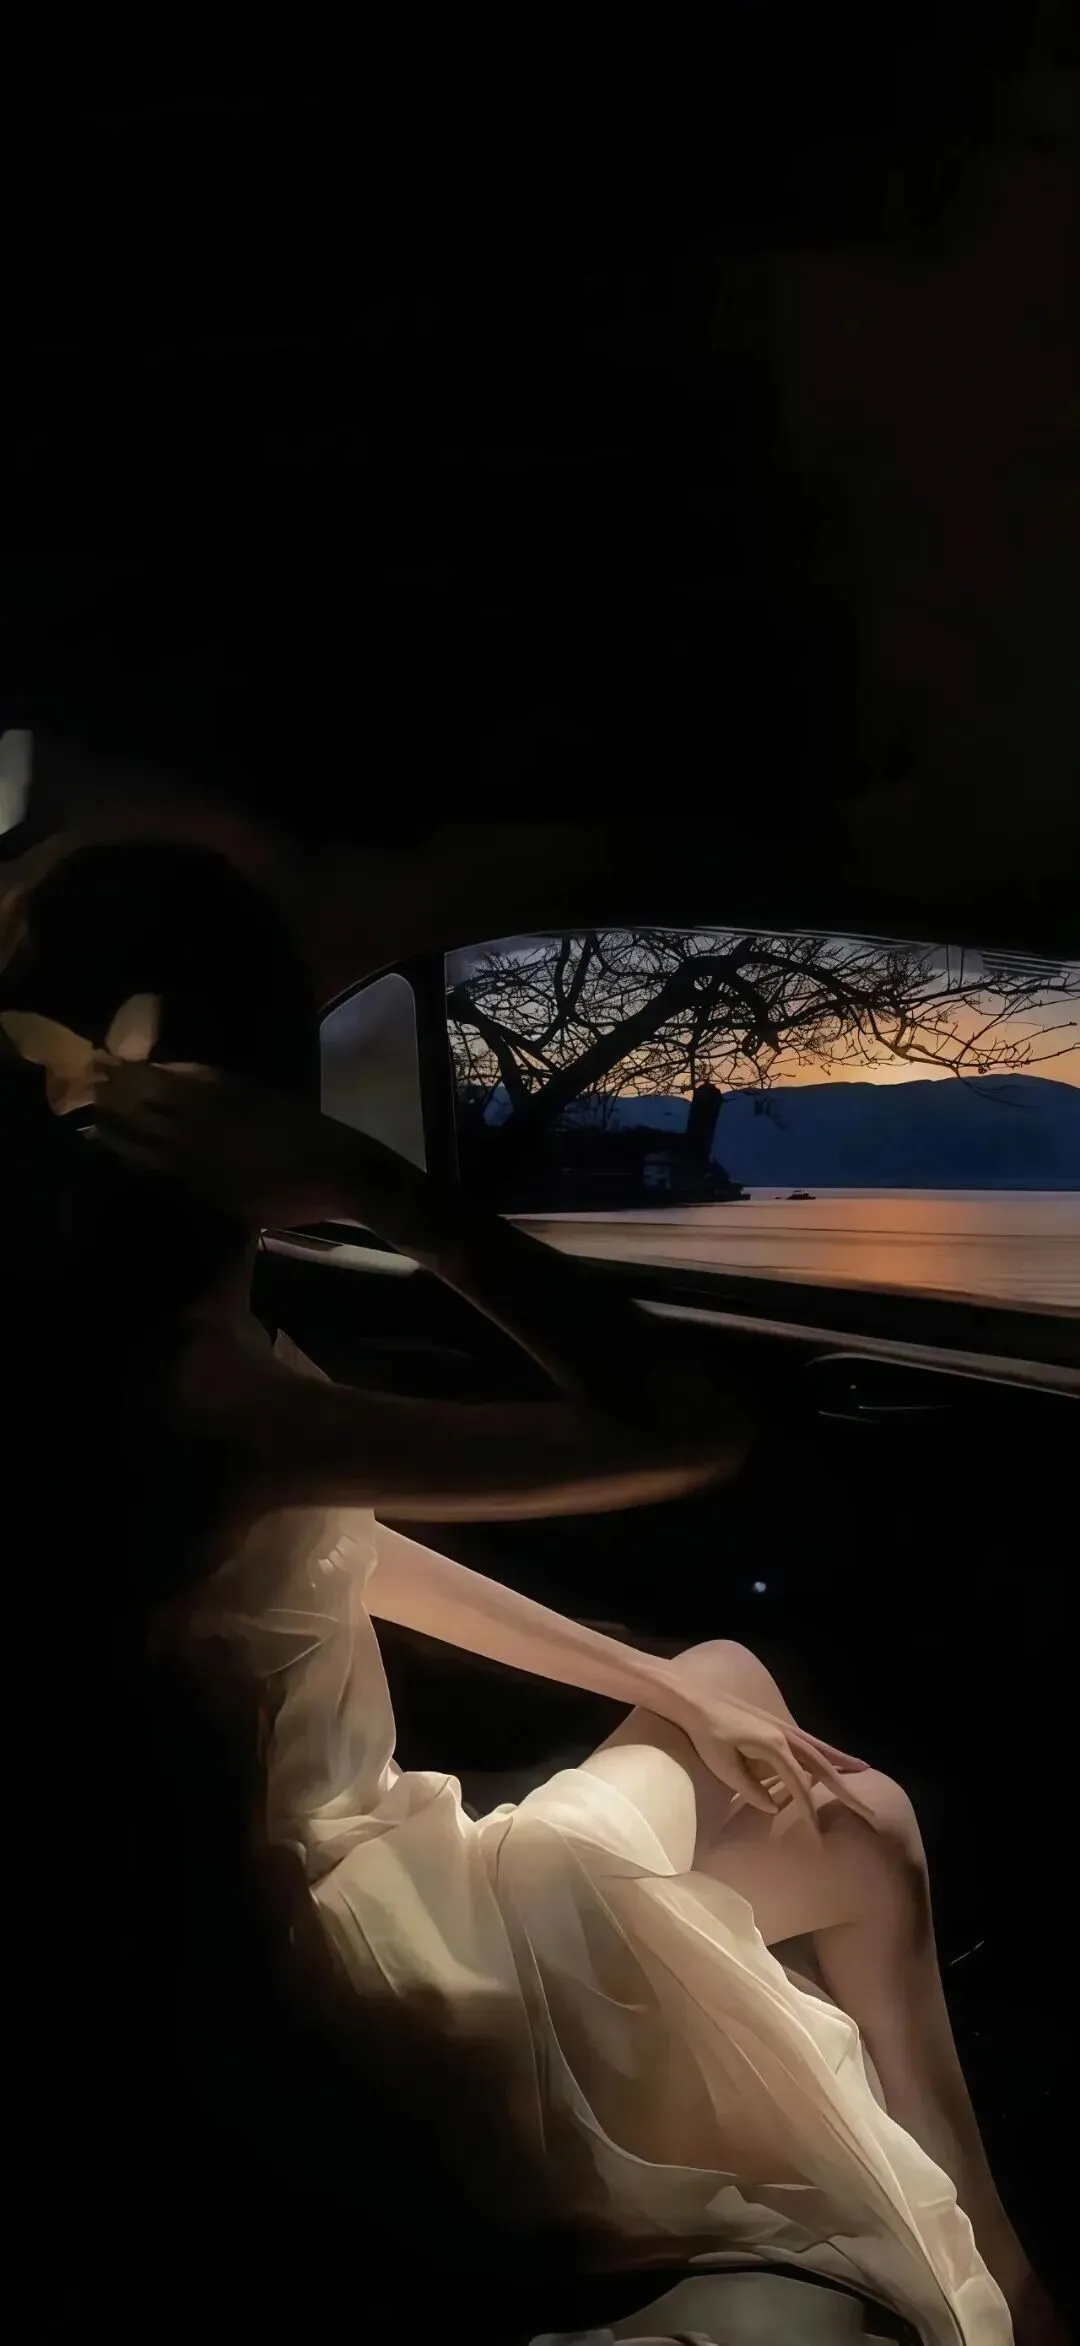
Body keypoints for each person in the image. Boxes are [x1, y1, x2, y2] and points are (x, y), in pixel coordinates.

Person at [1, 840, 1048, 2342]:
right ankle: (1006, 2289)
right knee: (866, 1824)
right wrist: (377, 1189)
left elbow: (335, 1550)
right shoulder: (201, 1394)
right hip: (354, 1995)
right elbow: (685, 1426)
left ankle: (999, 2273)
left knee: (724, 1678)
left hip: (314, 1918)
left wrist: (657, 1685)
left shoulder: (127, 1357)